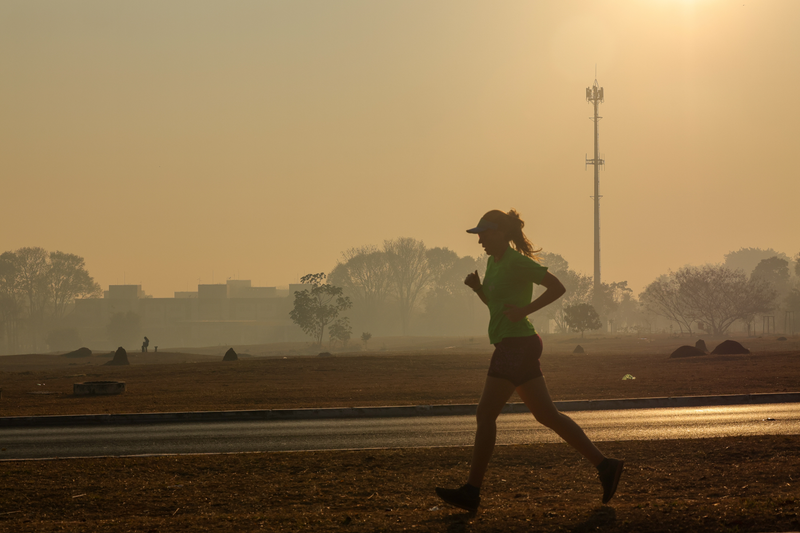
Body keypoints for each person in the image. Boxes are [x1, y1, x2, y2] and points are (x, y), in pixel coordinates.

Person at [435, 209, 624, 513]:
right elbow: (497, 306)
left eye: (483, 233)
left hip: (516, 345)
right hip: (516, 343)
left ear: (499, 233)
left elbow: (558, 287)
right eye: (478, 234)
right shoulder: (492, 263)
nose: (479, 240)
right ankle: (606, 465)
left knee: (485, 415)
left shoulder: (516, 262)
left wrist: (526, 310)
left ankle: (472, 491)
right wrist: (479, 289)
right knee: (547, 415)